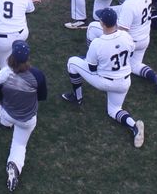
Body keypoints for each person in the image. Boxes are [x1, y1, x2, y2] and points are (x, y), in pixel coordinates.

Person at [62, 8, 145, 148]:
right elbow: (130, 54)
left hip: (105, 82)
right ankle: (133, 125)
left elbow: (92, 68)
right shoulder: (126, 36)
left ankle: (77, 97)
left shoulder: (97, 43)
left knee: (72, 62)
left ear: (102, 23)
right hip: (125, 81)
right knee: (114, 110)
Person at [86, 0, 157, 98]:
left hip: (132, 40)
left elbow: (122, 32)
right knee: (134, 66)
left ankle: (92, 60)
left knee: (92, 27)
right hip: (144, 38)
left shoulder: (129, 5)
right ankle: (155, 76)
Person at [0, 40, 47, 192]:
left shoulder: (1, 76)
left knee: (1, 110)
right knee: (19, 145)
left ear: (11, 57)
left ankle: (3, 122)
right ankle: (14, 166)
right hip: (27, 120)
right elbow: (41, 97)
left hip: (7, 113)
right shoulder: (37, 75)